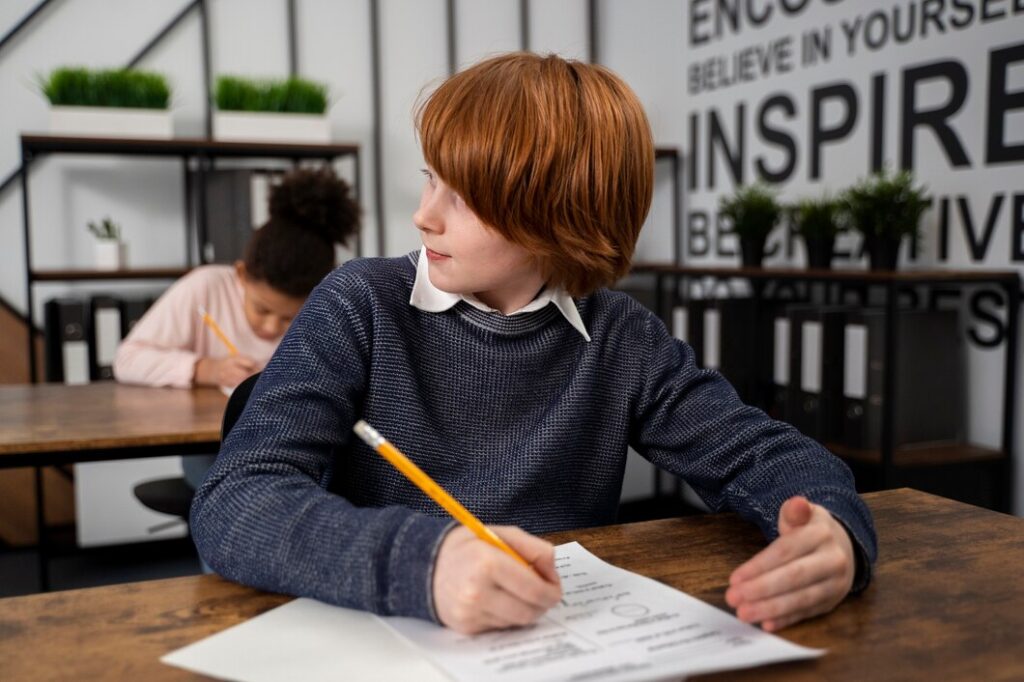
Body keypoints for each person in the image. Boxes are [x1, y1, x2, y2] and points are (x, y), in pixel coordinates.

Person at [191, 52, 877, 636]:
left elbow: (765, 456)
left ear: (559, 216)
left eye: (461, 196)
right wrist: (423, 564)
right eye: (432, 178)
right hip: (392, 641)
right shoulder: (359, 305)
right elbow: (234, 502)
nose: (423, 214)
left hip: (562, 645)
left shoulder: (620, 337)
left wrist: (834, 531)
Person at [114, 167, 360, 487]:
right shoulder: (205, 288)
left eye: (290, 317)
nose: (272, 327)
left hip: (301, 445)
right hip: (214, 448)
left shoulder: (331, 305)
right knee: (246, 495)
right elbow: (128, 359)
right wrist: (207, 369)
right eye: (262, 309)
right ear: (241, 275)